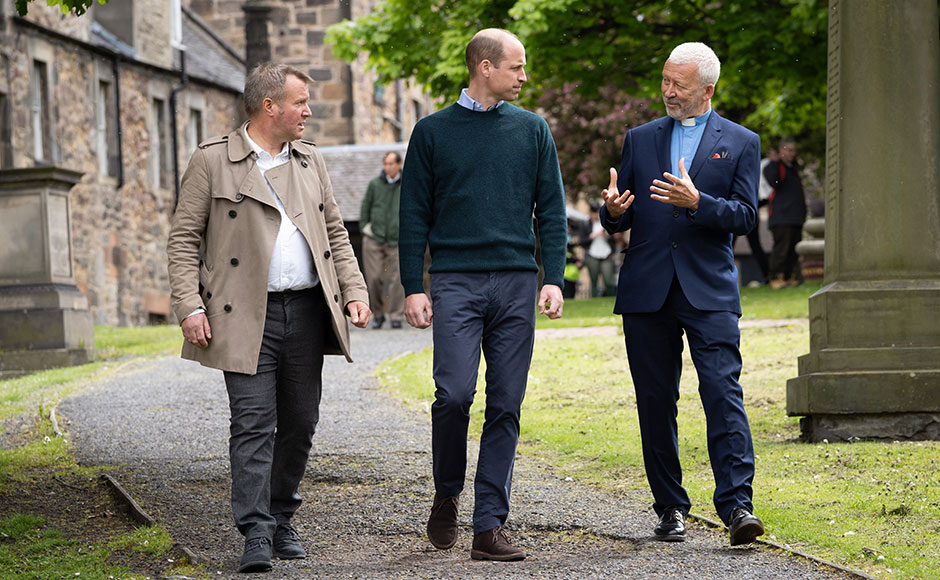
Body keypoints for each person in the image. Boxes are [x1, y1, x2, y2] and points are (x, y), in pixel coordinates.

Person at [166, 62, 371, 573]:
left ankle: (282, 517)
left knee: (300, 422)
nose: (309, 111)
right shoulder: (213, 160)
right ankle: (255, 530)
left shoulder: (310, 161)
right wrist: (189, 305)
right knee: (253, 423)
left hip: (305, 308)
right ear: (269, 106)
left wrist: (354, 291)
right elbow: (183, 239)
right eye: (301, 102)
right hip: (242, 314)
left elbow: (336, 234)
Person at [399, 28, 567, 562]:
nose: (524, 76)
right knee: (452, 396)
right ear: (485, 67)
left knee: (506, 403)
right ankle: (447, 492)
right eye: (517, 67)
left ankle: (489, 524)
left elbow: (553, 212)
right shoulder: (431, 133)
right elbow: (413, 216)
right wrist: (411, 287)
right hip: (454, 281)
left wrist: (554, 277)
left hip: (517, 282)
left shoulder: (533, 130)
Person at [600, 42, 765, 546]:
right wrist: (611, 210)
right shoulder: (640, 138)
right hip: (647, 289)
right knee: (655, 400)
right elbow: (623, 214)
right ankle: (670, 507)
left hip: (709, 289)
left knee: (722, 393)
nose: (668, 92)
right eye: (666, 81)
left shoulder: (741, 142)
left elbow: (744, 216)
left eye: (680, 85)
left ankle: (737, 507)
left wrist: (700, 203)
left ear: (708, 90)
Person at [360, 151, 405, 328]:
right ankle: (377, 314)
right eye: (385, 164)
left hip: (397, 239)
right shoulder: (374, 184)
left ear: (399, 165)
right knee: (374, 278)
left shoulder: (407, 184)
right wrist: (365, 228)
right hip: (374, 239)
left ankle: (396, 316)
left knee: (398, 280)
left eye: (391, 164)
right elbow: (365, 207)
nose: (387, 167)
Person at [764, 138, 807, 289]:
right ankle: (776, 277)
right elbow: (774, 181)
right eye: (788, 150)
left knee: (793, 250)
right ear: (781, 150)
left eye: (793, 150)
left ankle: (789, 276)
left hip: (795, 216)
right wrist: (776, 163)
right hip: (781, 216)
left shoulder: (792, 168)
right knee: (781, 249)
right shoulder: (774, 167)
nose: (791, 153)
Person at [579, 201, 617, 296]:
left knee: (608, 280)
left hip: (606, 254)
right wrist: (591, 236)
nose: (596, 214)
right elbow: (581, 241)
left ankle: (610, 299)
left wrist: (607, 236)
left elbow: (614, 239)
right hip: (592, 255)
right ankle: (594, 299)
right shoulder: (586, 224)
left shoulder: (605, 222)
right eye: (594, 212)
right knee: (594, 280)